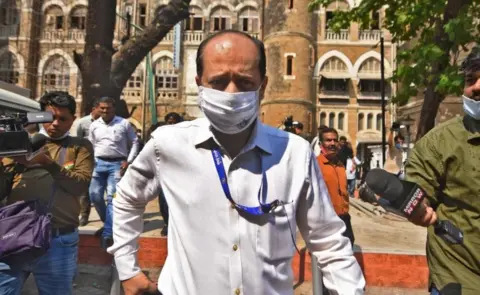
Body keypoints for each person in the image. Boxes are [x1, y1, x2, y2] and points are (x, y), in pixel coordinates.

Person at [109, 30, 364, 295]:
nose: (231, 93)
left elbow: (327, 240)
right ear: (200, 84)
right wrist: (128, 270)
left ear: (263, 87)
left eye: (244, 82)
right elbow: (127, 198)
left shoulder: (294, 154)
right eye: (218, 82)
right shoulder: (168, 144)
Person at [0, 91, 94, 295]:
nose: (55, 124)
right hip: (13, 236)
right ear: (39, 116)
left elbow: (80, 186)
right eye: (50, 118)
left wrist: (47, 163)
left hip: (57, 240)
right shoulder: (18, 144)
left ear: (73, 120)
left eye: (63, 119)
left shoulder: (80, 147)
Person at [405, 47, 480, 295]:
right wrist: (417, 206)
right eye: (471, 80)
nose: (476, 87)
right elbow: (418, 190)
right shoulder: (440, 141)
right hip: (459, 276)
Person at [88, 96, 140, 249]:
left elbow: (135, 142)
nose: (105, 111)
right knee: (94, 195)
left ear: (113, 108)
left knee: (112, 198)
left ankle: (107, 234)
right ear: (98, 108)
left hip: (117, 164)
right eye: (102, 108)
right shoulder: (94, 125)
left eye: (108, 108)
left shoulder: (124, 124)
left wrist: (128, 161)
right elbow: (91, 144)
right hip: (98, 163)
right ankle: (108, 224)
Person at [316, 127, 354, 247]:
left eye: (334, 140)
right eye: (328, 140)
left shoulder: (340, 165)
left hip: (344, 217)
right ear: (320, 144)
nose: (332, 143)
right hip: (326, 220)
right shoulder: (315, 165)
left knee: (348, 248)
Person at [75, 98, 101, 226]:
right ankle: (84, 214)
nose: (103, 112)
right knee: (85, 188)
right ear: (94, 109)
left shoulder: (108, 124)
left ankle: (107, 216)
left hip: (102, 160)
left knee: (98, 191)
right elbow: (77, 140)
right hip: (86, 159)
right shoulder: (82, 122)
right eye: (100, 109)